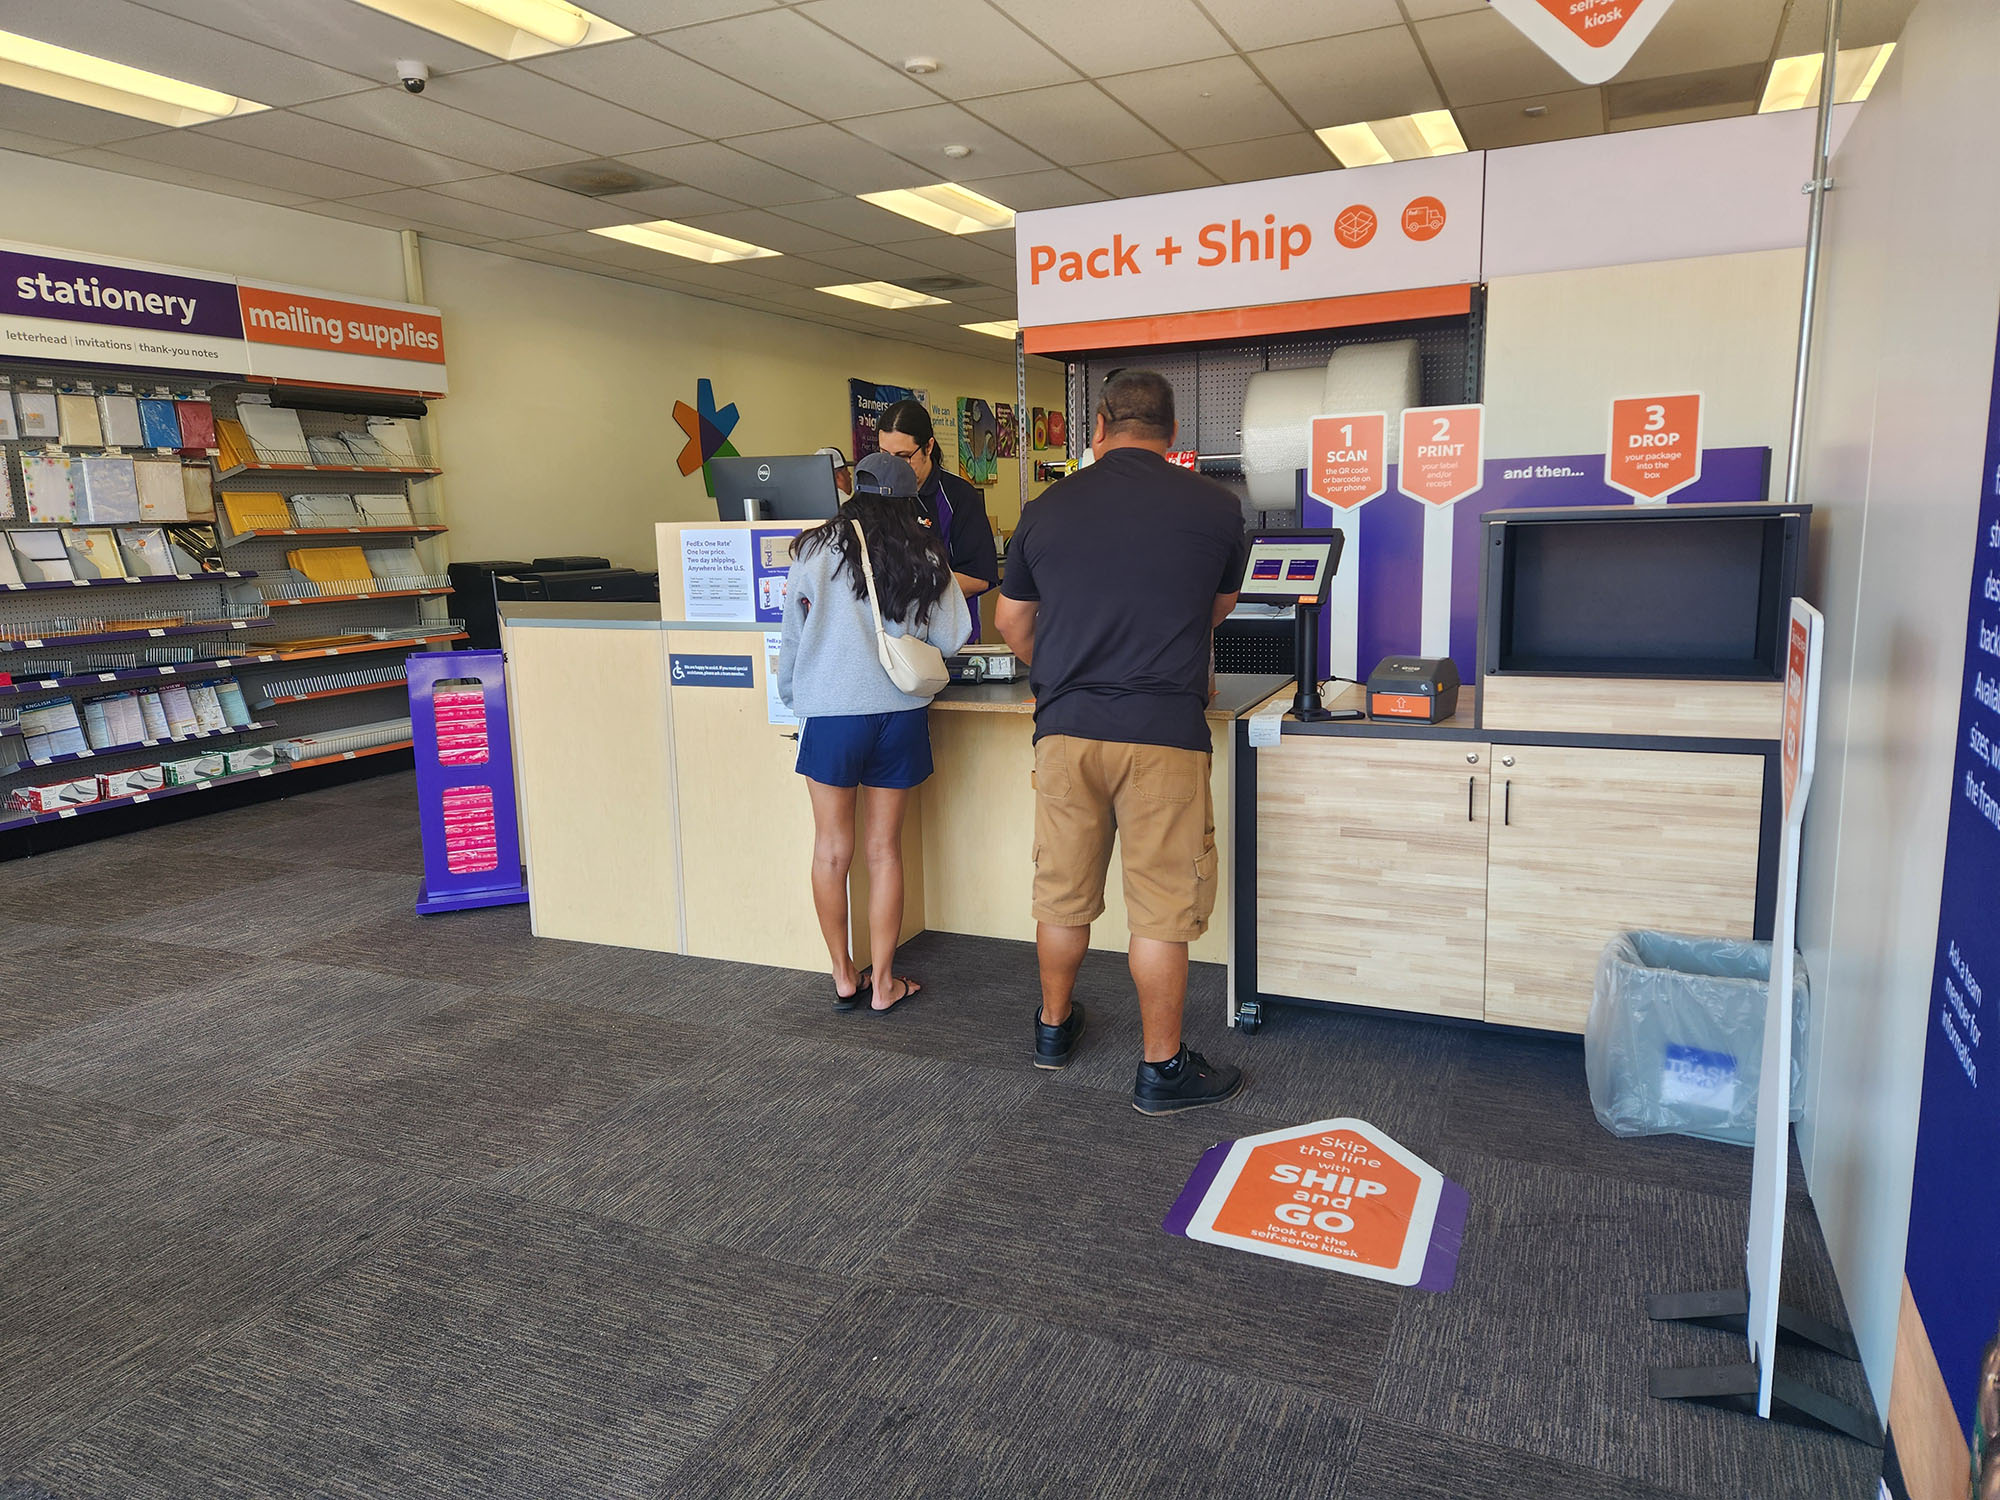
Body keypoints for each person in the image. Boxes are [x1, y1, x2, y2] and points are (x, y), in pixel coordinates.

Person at [995, 369, 1249, 1115]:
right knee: (1162, 908)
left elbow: (1012, 624)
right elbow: (1216, 610)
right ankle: (1160, 1069)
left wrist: (1067, 671)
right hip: (1163, 735)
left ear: (1099, 425)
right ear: (1172, 433)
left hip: (1066, 734)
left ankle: (1051, 1030)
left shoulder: (1047, 509)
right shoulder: (1216, 507)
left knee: (1063, 894)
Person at [778, 450, 972, 1014]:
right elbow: (956, 632)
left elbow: (793, 635)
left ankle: (843, 974)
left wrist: (798, 700)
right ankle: (884, 983)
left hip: (832, 717)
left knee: (830, 850)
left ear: (851, 489)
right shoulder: (925, 549)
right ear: (908, 495)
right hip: (899, 714)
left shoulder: (814, 549)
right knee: (884, 852)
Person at [874, 401, 1000, 634]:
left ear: (928, 447)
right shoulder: (873, 494)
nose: (892, 467)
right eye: (884, 455)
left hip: (947, 638)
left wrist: (911, 590)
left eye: (903, 457)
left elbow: (978, 577)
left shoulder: (958, 496)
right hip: (887, 639)